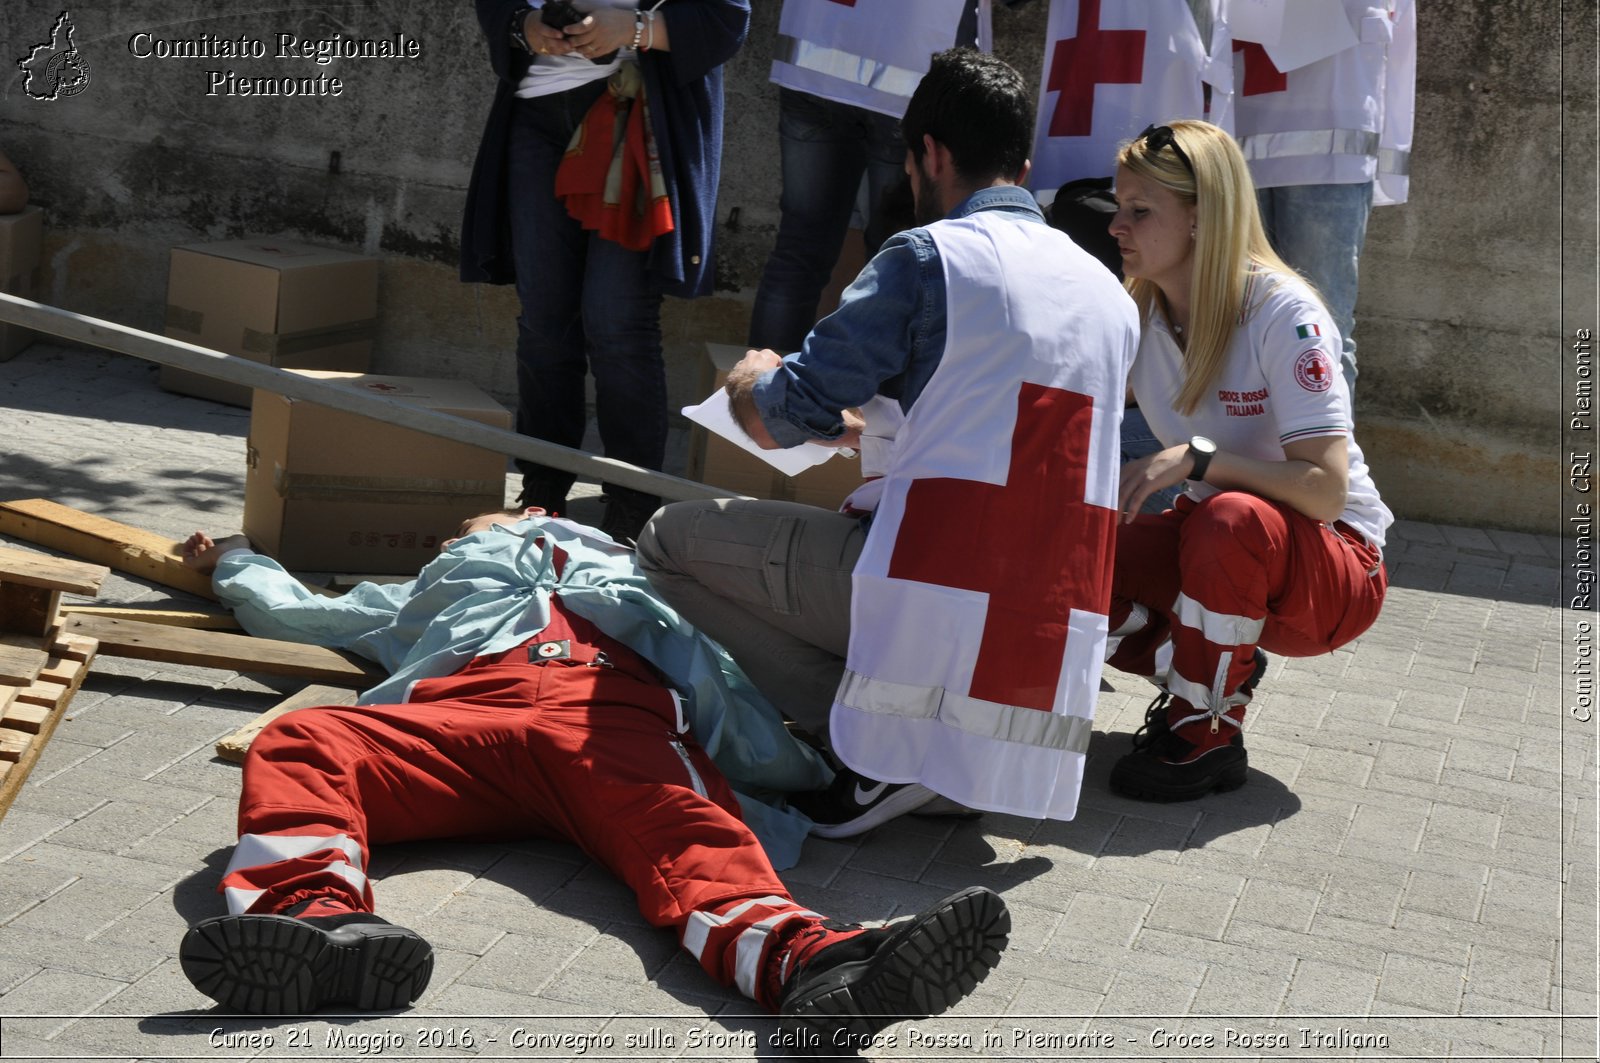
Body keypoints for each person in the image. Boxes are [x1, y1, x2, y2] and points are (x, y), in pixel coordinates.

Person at [174, 510, 1010, 1042]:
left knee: (690, 834)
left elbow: (733, 670)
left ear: (545, 517)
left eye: (487, 521)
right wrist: (237, 555)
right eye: (460, 537)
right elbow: (298, 608)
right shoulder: (430, 589)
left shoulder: (645, 575)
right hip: (462, 716)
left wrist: (813, 766)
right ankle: (319, 923)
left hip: (611, 717)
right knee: (305, 738)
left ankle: (815, 966)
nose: (467, 534)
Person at [639, 49, 1140, 838]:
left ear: (930, 155)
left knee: (665, 541)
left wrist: (752, 374)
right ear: (1025, 163)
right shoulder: (1110, 294)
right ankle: (941, 763)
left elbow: (775, 419)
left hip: (934, 586)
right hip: (1045, 613)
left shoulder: (925, 257)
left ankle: (876, 755)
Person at [1103, 120, 1393, 802]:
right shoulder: (1136, 312)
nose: (1118, 225)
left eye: (1140, 211)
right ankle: (1208, 670)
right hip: (1229, 549)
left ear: (1203, 218)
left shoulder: (1284, 312)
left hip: (1335, 568)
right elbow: (1059, 408)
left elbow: (1324, 490)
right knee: (1071, 541)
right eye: (1119, 207)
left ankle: (1205, 731)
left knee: (1227, 517)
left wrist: (1201, 458)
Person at [460, 1, 750, 543]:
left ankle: (632, 510)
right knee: (545, 322)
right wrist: (523, 25)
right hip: (536, 116)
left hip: (638, 114)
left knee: (617, 321)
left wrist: (637, 29)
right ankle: (542, 495)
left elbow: (726, 19)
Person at [749, 0, 1004, 353]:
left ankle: (757, 398)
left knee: (799, 250)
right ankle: (872, 403)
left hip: (813, 57)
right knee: (898, 263)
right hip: (907, 79)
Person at [1227, 0, 1416, 396]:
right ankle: (1252, 452)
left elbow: (1398, 47)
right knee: (1233, 326)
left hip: (1325, 158)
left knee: (1322, 327)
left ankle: (1328, 456)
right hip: (1243, 147)